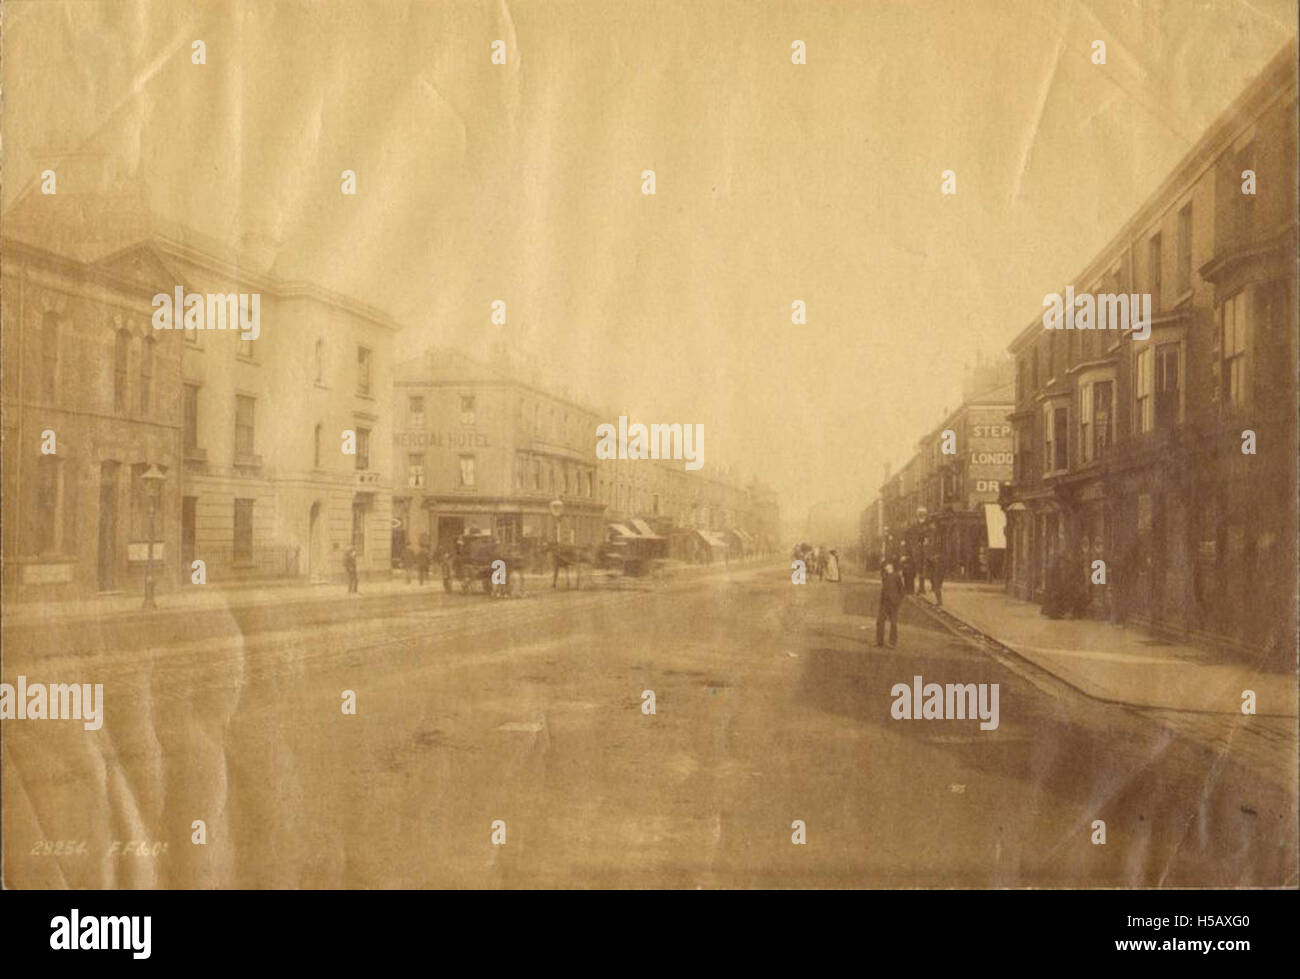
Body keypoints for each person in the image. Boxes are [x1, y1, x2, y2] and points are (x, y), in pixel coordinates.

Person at [876, 559, 904, 647]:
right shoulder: (885, 576)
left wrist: (898, 600)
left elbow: (902, 590)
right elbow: (883, 590)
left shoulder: (896, 576)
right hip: (884, 602)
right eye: (884, 566)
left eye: (886, 566)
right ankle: (879, 642)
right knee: (880, 621)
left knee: (893, 623)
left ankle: (892, 643)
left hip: (893, 603)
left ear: (891, 566)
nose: (885, 568)